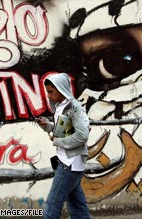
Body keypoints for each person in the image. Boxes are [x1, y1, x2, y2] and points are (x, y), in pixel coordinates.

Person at [36, 73, 90, 219]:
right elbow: (65, 131)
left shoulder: (74, 108)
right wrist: (48, 127)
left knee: (51, 209)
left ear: (61, 89)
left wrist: (57, 141)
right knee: (77, 208)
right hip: (71, 164)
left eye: (51, 91)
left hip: (69, 164)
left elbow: (81, 136)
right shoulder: (62, 107)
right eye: (47, 91)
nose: (48, 95)